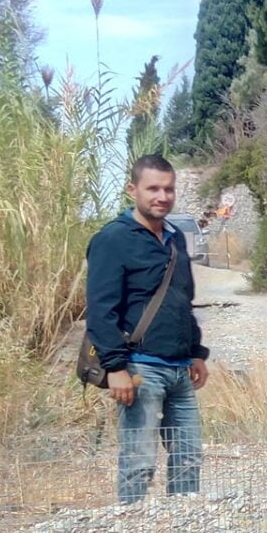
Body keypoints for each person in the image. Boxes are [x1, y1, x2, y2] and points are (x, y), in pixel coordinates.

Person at [85, 154, 210, 504]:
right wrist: (115, 368)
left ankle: (182, 525)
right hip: (140, 370)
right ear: (132, 190)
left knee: (188, 459)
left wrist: (197, 353)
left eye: (168, 189)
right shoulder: (113, 239)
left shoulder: (175, 238)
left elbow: (183, 301)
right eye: (153, 188)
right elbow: (100, 311)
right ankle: (133, 526)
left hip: (180, 370)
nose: (162, 196)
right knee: (139, 462)